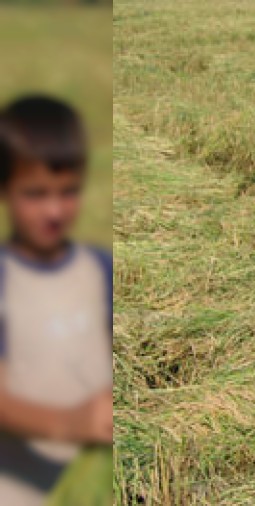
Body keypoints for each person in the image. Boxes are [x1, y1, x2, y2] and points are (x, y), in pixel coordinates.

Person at [0, 95, 113, 504]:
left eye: (68, 192)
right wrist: (70, 424)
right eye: (35, 194)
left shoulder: (98, 269)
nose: (54, 211)